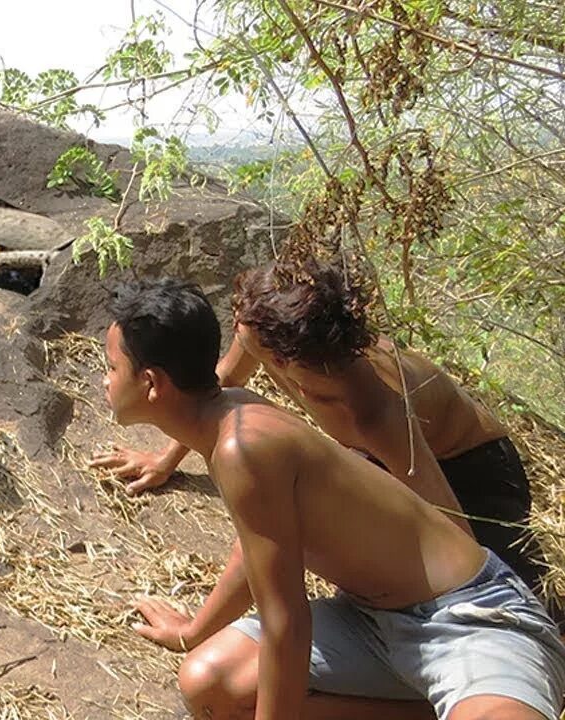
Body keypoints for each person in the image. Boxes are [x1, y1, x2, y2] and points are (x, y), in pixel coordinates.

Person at [100, 277, 564, 719]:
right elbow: (261, 548)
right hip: (369, 623)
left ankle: (486, 692)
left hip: (467, 621)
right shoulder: (230, 422)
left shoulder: (243, 444)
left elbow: (288, 625)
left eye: (112, 368)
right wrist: (194, 631)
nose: (105, 380)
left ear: (151, 383)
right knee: (211, 686)